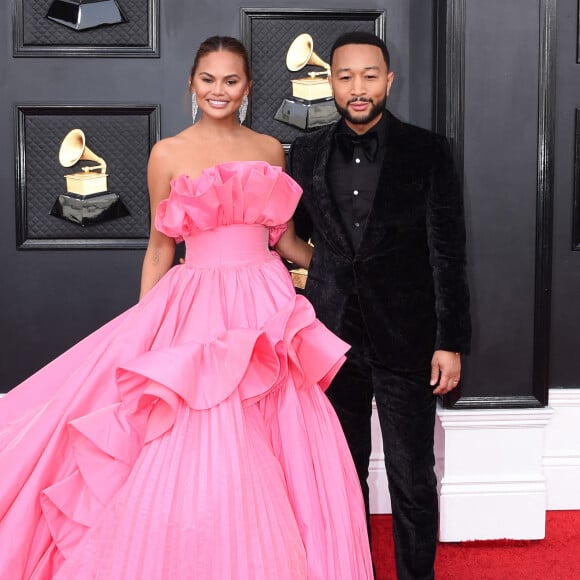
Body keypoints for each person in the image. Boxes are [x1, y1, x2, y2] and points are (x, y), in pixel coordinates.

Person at [0, 36, 373, 579]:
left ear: (247, 87)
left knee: (273, 433)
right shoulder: (167, 153)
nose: (218, 91)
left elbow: (287, 243)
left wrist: (353, 270)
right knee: (195, 434)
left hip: (265, 306)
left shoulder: (270, 149)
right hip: (196, 302)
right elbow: (158, 250)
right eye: (208, 80)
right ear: (192, 85)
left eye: (230, 80)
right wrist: (144, 328)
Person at [288, 31, 471, 580]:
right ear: (330, 83)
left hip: (409, 338)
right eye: (345, 77)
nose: (358, 88)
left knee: (411, 474)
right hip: (333, 339)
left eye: (369, 76)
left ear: (389, 81)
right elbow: (292, 240)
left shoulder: (428, 150)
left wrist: (450, 341)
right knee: (343, 476)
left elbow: (448, 250)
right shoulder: (305, 151)